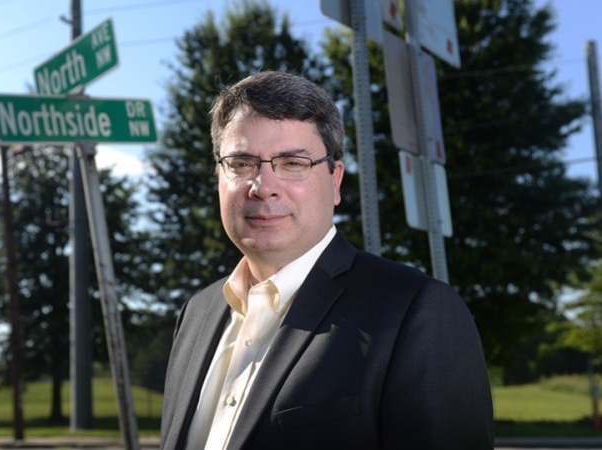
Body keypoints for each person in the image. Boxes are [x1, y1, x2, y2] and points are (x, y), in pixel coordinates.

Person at [160, 71, 493, 450]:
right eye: (241, 163)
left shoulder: (415, 311)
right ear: (219, 175)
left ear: (335, 180)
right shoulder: (196, 314)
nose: (263, 186)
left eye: (292, 163)